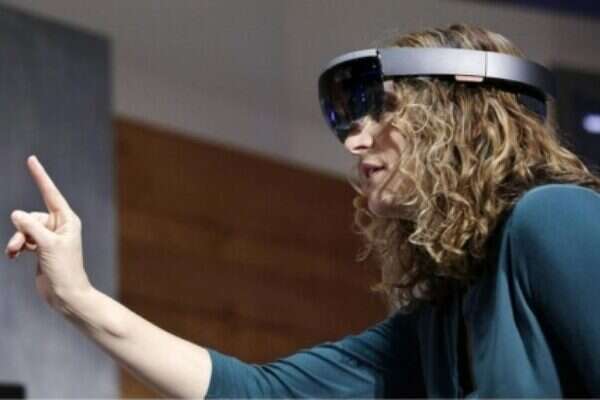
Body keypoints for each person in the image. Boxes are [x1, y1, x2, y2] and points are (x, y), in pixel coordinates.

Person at [5, 23, 600, 398]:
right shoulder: (439, 321)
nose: (356, 141)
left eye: (384, 110)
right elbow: (260, 394)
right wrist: (76, 298)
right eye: (351, 122)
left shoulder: (551, 220)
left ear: (457, 118)